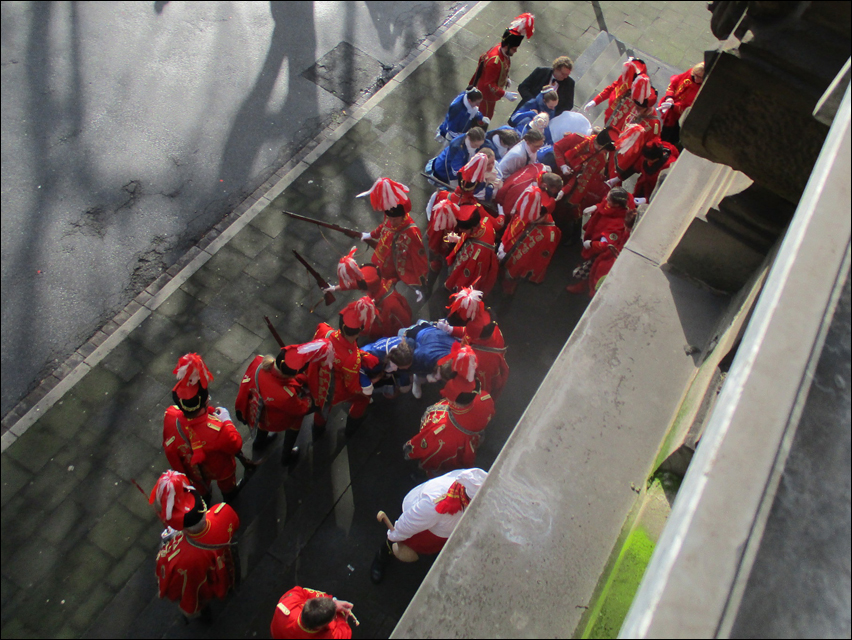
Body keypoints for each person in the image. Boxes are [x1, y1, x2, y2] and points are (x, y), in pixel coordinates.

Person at [370, 468, 488, 583]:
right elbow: (409, 523)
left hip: (444, 532)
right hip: (425, 532)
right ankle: (382, 555)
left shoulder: (465, 482)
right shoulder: (435, 503)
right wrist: (394, 536)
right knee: (398, 539)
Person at [151, 470, 240, 620]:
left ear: (180, 526)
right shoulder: (223, 511)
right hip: (226, 568)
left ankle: (204, 615)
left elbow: (170, 583)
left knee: (199, 598)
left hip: (203, 586)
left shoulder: (178, 559)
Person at [163, 353, 244, 503]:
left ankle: (204, 499)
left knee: (201, 489)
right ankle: (229, 498)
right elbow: (236, 444)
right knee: (227, 486)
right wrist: (227, 421)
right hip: (220, 468)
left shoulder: (169, 416)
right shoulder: (217, 430)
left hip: (194, 472)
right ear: (205, 400)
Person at [404, 345, 495, 475]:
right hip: (472, 440)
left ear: (450, 398)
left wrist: (411, 450)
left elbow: (427, 450)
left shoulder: (439, 428)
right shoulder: (485, 398)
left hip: (449, 453)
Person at [235, 342, 328, 466]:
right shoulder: (286, 395)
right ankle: (286, 456)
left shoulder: (259, 361)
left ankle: (259, 443)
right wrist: (311, 399)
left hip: (260, 411)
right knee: (295, 422)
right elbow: (301, 409)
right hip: (277, 419)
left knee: (262, 425)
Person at [308, 301, 380, 439]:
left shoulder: (324, 329)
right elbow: (352, 388)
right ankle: (351, 427)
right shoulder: (351, 359)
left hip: (315, 378)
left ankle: (318, 429)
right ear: (359, 331)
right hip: (334, 389)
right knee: (363, 399)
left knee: (322, 408)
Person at [437, 286, 509, 399]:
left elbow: (483, 389)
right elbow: (469, 334)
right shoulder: (488, 328)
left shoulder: (482, 362)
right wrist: (450, 329)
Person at [358, 177, 428, 292]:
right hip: (379, 259)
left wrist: (418, 283)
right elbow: (383, 226)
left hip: (392, 269)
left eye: (394, 219)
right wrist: (370, 235)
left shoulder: (412, 232)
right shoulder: (389, 217)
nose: (391, 221)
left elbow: (418, 258)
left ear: (402, 216)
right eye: (389, 218)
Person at [327, 249, 413, 339]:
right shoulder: (376, 283)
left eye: (363, 289)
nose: (361, 291)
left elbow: (403, 322)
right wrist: (334, 288)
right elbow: (356, 284)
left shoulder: (390, 304)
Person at [566, 187, 635, 294]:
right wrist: (597, 206)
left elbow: (607, 245)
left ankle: (583, 285)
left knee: (592, 266)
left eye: (609, 200)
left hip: (599, 248)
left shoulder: (618, 223)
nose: (606, 200)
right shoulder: (622, 198)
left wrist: (592, 244)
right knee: (588, 260)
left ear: (617, 204)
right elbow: (604, 201)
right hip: (596, 232)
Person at [467, 13, 535, 118]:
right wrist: (504, 94)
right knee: (484, 117)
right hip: (486, 95)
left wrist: (505, 78)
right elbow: (489, 84)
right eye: (514, 49)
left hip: (490, 93)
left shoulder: (501, 50)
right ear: (507, 46)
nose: (515, 51)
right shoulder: (495, 62)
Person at [498, 183, 562, 295]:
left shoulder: (549, 234)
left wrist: (519, 271)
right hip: (505, 255)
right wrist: (503, 245)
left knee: (509, 286)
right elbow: (513, 225)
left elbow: (539, 260)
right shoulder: (527, 213)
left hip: (517, 267)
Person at [553, 127, 617, 218]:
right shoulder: (576, 138)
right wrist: (562, 165)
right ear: (600, 147)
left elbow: (582, 177)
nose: (605, 153)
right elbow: (557, 147)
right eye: (605, 151)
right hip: (554, 170)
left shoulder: (600, 160)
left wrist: (564, 190)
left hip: (569, 183)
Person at [444, 196, 499, 296]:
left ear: (473, 227)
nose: (461, 231)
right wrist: (458, 239)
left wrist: (457, 288)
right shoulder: (484, 223)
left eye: (463, 230)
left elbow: (468, 275)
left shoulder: (478, 252)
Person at [583, 57, 651, 134]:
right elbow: (612, 88)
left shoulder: (639, 95)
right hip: (610, 115)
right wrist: (595, 101)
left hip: (619, 126)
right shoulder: (624, 77)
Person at [270, 586, 356, 639]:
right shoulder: (334, 636)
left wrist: (332, 603)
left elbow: (302, 591)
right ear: (320, 626)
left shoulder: (288, 603)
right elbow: (345, 629)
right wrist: (339, 613)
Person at [614, 88, 662, 176]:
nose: (635, 110)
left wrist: (629, 172)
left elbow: (646, 152)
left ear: (647, 108)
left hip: (625, 162)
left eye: (639, 108)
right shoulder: (635, 107)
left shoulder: (653, 125)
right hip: (614, 148)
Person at [659, 62, 705, 146]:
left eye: (699, 77)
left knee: (673, 136)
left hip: (681, 118)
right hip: (671, 111)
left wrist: (673, 107)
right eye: (695, 75)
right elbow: (674, 83)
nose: (696, 79)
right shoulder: (691, 73)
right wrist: (669, 97)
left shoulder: (702, 90)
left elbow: (689, 109)